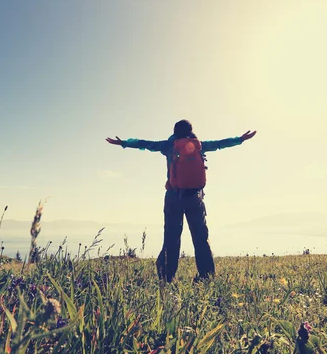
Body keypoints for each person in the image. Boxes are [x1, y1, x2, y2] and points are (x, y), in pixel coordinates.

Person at [106, 119, 256, 282]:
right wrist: (239, 139)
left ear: (174, 131)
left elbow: (145, 144)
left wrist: (124, 143)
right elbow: (219, 144)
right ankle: (206, 276)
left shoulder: (169, 146)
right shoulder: (199, 145)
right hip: (195, 198)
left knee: (171, 237)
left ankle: (166, 277)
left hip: (173, 198)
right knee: (200, 237)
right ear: (191, 131)